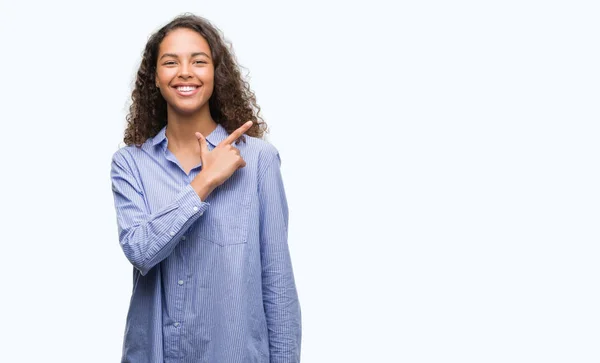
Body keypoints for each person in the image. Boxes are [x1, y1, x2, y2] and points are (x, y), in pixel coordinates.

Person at [109, 14, 301, 363]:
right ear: (155, 77)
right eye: (171, 62)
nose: (185, 72)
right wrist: (205, 182)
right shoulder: (130, 164)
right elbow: (140, 250)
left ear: (216, 73)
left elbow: (278, 284)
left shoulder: (258, 161)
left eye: (198, 61)